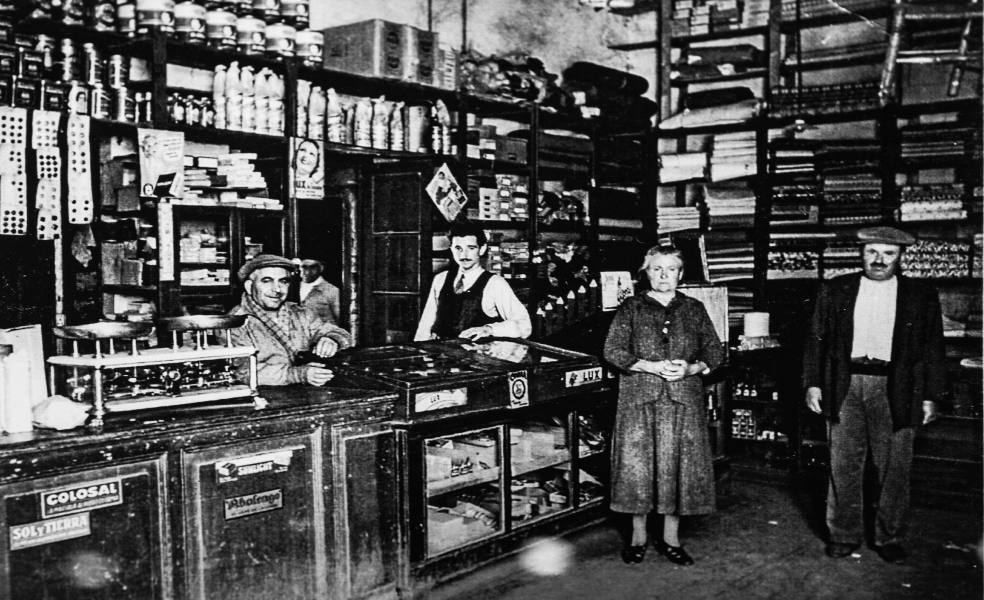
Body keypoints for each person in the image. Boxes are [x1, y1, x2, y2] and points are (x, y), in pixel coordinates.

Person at [802, 226, 944, 564]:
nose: (879, 260)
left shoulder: (920, 295)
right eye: (872, 252)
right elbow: (815, 340)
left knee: (894, 468)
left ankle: (888, 535)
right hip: (845, 384)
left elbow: (933, 346)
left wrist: (930, 395)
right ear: (861, 253)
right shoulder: (836, 290)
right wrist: (813, 383)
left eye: (888, 253)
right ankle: (843, 535)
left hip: (897, 387)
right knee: (843, 466)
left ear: (900, 256)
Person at [603, 245, 724, 566]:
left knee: (678, 467)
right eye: (656, 269)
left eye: (670, 269)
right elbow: (612, 350)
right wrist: (649, 366)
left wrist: (691, 368)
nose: (663, 276)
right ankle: (638, 538)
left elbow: (715, 352)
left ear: (680, 275)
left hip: (683, 402)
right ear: (647, 272)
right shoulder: (631, 308)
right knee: (636, 468)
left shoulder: (694, 309)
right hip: (638, 401)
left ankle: (671, 539)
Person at [230, 254, 351, 387]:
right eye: (267, 281)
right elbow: (242, 372)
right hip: (263, 398)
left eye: (283, 281)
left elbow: (340, 333)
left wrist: (332, 339)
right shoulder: (234, 323)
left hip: (307, 393)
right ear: (249, 286)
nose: (277, 289)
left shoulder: (301, 313)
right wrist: (297, 375)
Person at [414, 222, 532, 341]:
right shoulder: (440, 279)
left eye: (471, 248)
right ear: (451, 249)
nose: (464, 255)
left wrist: (489, 329)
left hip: (476, 356)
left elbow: (524, 326)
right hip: (441, 355)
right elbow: (425, 325)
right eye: (458, 248)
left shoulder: (495, 284)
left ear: (482, 249)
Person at [299, 259, 341, 325]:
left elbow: (339, 320)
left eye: (312, 268)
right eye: (304, 267)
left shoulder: (331, 290)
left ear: (321, 268)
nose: (307, 272)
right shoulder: (293, 288)